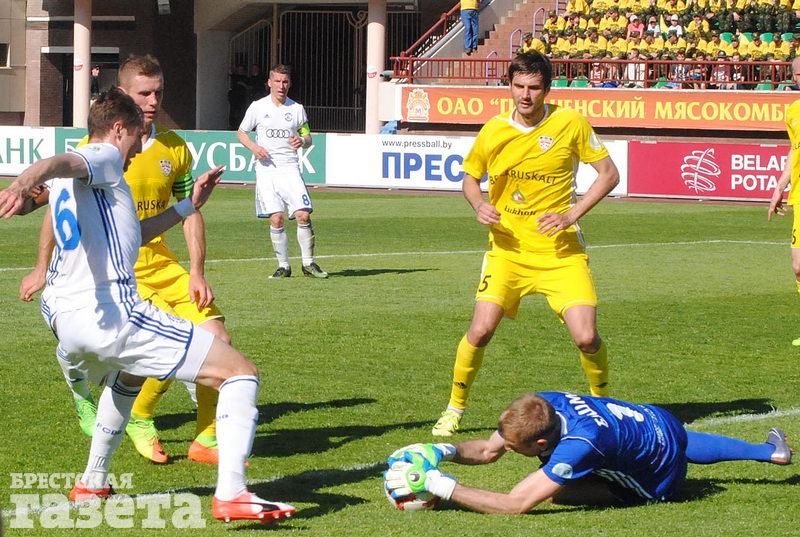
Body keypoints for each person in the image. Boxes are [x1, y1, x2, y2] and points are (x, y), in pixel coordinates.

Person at [0, 87, 296, 523]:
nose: (139, 149)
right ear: (119, 128)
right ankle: (232, 493)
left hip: (64, 316)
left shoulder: (83, 183)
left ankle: (92, 482)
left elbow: (131, 233)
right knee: (240, 374)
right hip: (113, 316)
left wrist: (187, 206)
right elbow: (60, 161)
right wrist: (22, 181)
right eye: (137, 137)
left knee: (131, 375)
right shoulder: (102, 155)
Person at [19, 54, 231, 465]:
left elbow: (190, 209)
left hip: (162, 262)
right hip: (117, 271)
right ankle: (138, 416)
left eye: (158, 92)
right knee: (155, 349)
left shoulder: (175, 147)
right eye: (144, 93)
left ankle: (207, 438)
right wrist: (41, 267)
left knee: (217, 336)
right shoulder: (97, 151)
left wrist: (197, 271)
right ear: (121, 95)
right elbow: (56, 207)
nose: (153, 101)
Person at [430, 51, 620, 437]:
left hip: (560, 253)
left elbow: (608, 174)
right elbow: (470, 178)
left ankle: (604, 406)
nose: (525, 95)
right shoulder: (494, 130)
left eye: (533, 87)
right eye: (518, 86)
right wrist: (479, 204)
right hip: (508, 252)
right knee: (480, 331)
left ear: (547, 90)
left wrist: (571, 214)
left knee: (586, 337)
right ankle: (454, 409)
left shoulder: (570, 123)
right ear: (510, 87)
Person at [387, 392, 792, 513]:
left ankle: (646, 486)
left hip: (658, 479)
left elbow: (515, 504)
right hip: (657, 421)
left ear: (542, 444)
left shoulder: (580, 448)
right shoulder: (541, 404)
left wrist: (440, 486)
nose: (504, 448)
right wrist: (440, 449)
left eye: (514, 448)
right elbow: (489, 450)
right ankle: (768, 452)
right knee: (675, 440)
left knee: (557, 492)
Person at [237, 64, 327, 279]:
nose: (281, 86)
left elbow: (308, 136)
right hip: (266, 170)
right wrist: (254, 148)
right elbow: (241, 133)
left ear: (290, 84)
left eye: (285, 81)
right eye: (277, 81)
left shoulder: (296, 109)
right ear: (269, 83)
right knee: (276, 219)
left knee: (303, 214)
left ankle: (308, 264)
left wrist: (302, 141)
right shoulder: (258, 107)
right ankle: (283, 266)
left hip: (290, 168)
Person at [769, 57, 800, 344]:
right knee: (799, 266)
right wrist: (780, 186)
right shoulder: (792, 111)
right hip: (799, 197)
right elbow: (794, 148)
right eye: (799, 74)